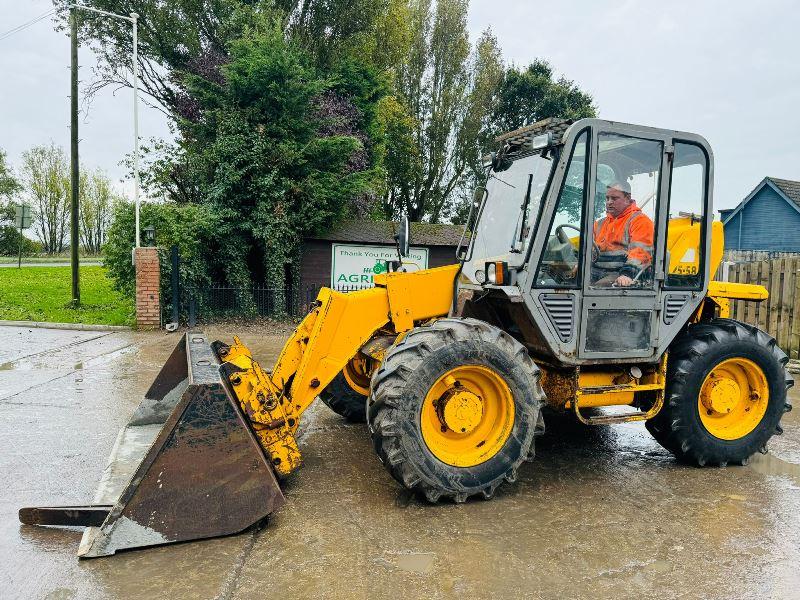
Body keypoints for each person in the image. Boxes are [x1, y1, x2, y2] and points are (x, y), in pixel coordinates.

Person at [592, 181, 654, 287]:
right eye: (607, 198)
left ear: (627, 198)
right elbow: (588, 249)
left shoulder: (639, 221)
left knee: (596, 289)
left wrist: (627, 274)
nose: (609, 202)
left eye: (614, 198)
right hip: (596, 271)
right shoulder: (599, 224)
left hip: (619, 273)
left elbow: (640, 252)